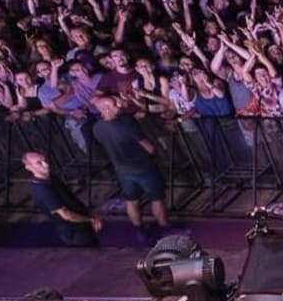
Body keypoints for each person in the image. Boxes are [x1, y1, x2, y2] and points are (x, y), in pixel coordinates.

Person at [89, 95, 171, 233]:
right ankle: (165, 229)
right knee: (157, 199)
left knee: (131, 200)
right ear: (106, 109)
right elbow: (149, 147)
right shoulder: (126, 124)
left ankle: (139, 231)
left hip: (122, 169)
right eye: (115, 104)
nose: (119, 105)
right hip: (143, 167)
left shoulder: (97, 128)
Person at [22, 151, 102, 246]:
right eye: (39, 163)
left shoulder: (51, 177)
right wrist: (89, 220)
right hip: (74, 230)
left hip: (81, 223)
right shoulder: (42, 189)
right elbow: (66, 215)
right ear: (28, 167)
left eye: (44, 160)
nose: (46, 165)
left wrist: (88, 213)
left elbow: (71, 198)